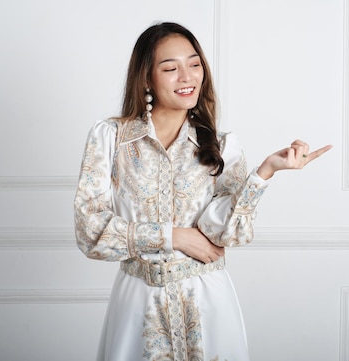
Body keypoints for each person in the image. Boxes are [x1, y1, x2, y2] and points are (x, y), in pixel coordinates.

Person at [74, 22, 331, 361]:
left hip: (208, 301)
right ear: (146, 78)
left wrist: (265, 172)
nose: (187, 76)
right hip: (139, 301)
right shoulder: (112, 137)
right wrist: (174, 237)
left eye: (194, 64)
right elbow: (90, 231)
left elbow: (226, 234)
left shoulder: (221, 144)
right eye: (170, 68)